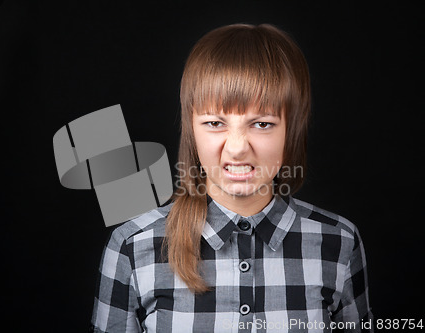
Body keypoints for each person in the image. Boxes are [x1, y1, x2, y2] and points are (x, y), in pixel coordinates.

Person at [90, 23, 372, 332]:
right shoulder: (132, 247)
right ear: (192, 130)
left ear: (292, 130)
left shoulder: (339, 242)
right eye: (214, 122)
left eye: (262, 124)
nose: (237, 148)